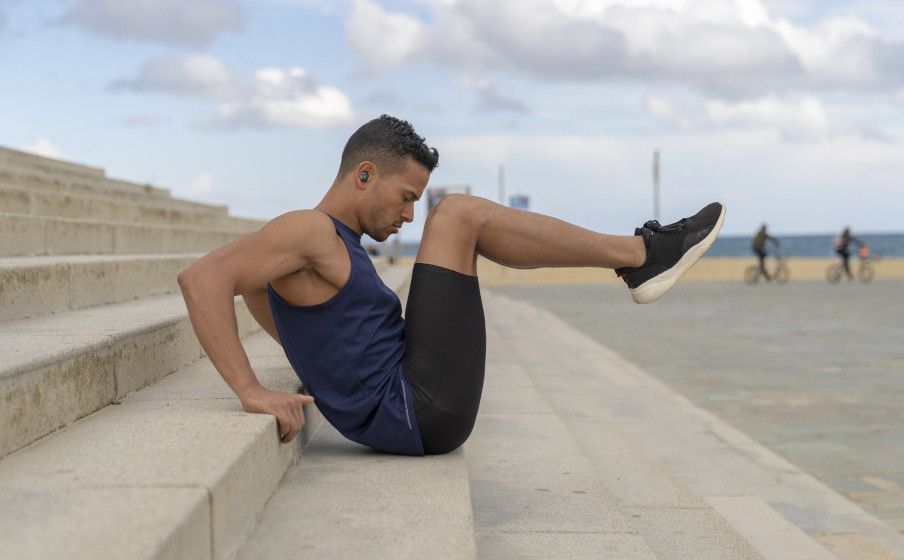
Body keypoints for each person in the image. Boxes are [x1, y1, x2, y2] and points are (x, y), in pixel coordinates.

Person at [177, 115, 726, 456]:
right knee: (459, 215)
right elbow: (203, 278)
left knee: (457, 216)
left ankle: (641, 257)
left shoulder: (317, 244)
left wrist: (322, 364)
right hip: (419, 408)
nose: (410, 217)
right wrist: (250, 390)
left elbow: (253, 289)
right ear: (364, 175)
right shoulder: (308, 230)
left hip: (413, 404)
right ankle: (640, 254)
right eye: (407, 196)